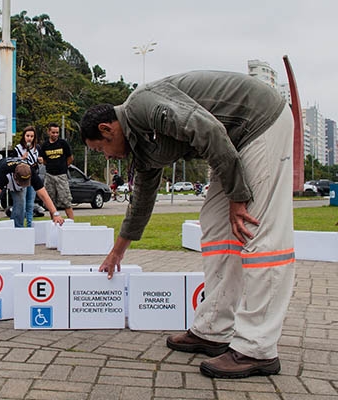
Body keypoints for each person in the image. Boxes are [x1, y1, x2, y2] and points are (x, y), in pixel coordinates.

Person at [80, 70, 294, 379]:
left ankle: (257, 348)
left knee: (257, 230)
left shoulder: (143, 105)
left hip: (259, 121)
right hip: (230, 144)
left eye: (100, 149)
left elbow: (207, 130)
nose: (106, 156)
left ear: (107, 129)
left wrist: (238, 195)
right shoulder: (141, 148)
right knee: (217, 227)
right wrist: (117, 253)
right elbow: (141, 202)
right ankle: (213, 329)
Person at [0, 157, 64, 226]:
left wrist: (55, 214)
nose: (22, 185)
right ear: (15, 176)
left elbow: (44, 195)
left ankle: (18, 228)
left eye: (25, 183)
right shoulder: (4, 173)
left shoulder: (32, 174)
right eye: (21, 183)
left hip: (20, 173)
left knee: (21, 202)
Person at [40, 122, 74, 219]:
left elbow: (70, 158)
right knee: (50, 202)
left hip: (61, 176)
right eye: (53, 132)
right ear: (49, 132)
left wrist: (63, 166)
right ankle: (54, 221)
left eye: (57, 133)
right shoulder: (45, 145)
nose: (55, 135)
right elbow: (44, 160)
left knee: (66, 201)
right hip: (49, 175)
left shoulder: (63, 143)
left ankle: (71, 223)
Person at [14, 126, 40, 227]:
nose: (29, 138)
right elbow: (13, 162)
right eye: (27, 135)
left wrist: (40, 161)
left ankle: (29, 225)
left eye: (32, 136)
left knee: (30, 204)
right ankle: (19, 225)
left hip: (32, 176)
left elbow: (37, 161)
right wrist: (21, 158)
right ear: (24, 136)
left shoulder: (36, 148)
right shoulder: (18, 148)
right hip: (22, 176)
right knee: (22, 203)